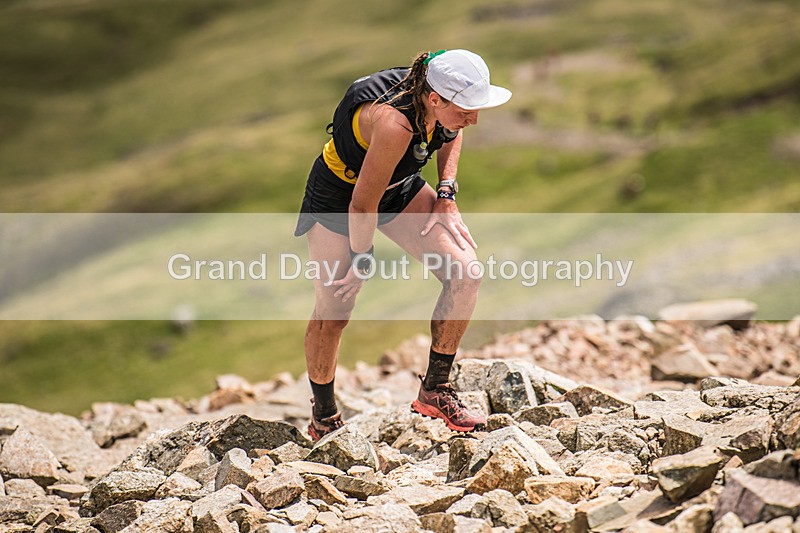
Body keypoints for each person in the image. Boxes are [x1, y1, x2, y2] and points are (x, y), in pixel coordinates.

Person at [294, 49, 512, 441]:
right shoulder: (395, 123)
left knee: (466, 273)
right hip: (340, 195)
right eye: (467, 110)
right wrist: (362, 261)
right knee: (335, 309)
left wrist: (446, 192)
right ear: (434, 99)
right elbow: (362, 205)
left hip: (398, 185)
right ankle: (324, 417)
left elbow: (451, 131)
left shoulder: (440, 102)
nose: (474, 119)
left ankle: (435, 390)